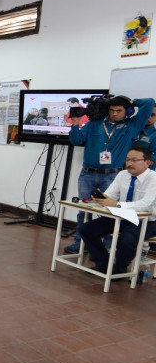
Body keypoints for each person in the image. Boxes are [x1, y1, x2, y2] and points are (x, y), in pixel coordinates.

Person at [65, 95, 156, 254]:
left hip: (112, 176)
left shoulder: (132, 125)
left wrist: (131, 101)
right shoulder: (95, 124)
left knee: (110, 213)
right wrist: (75, 124)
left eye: (119, 111)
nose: (114, 114)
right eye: (112, 110)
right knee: (83, 211)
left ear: (127, 111)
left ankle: (106, 248)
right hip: (88, 174)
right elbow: (77, 140)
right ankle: (80, 243)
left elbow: (149, 103)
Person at [81, 146, 156, 274]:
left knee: (127, 238)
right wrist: (101, 198)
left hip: (148, 221)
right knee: (86, 228)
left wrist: (117, 204)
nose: (129, 163)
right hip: (122, 217)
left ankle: (120, 270)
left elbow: (146, 205)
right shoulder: (122, 175)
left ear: (147, 163)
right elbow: (110, 195)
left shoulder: (153, 178)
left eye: (134, 160)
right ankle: (103, 263)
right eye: (127, 160)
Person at [134, 105, 156, 170]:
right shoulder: (130, 130)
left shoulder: (154, 135)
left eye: (152, 115)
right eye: (146, 113)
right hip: (122, 171)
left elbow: (152, 159)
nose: (148, 117)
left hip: (142, 173)